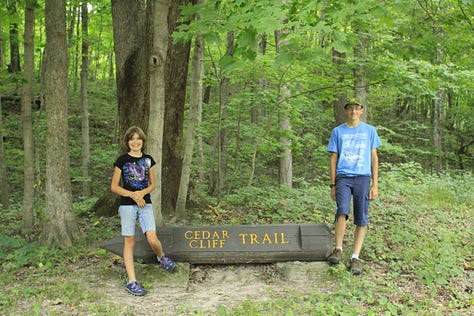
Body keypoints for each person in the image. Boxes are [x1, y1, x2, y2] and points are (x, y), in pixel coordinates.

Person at [111, 126, 176, 296]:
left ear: (143, 141)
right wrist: (133, 195)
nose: (135, 141)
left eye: (138, 138)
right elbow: (114, 186)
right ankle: (132, 281)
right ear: (127, 142)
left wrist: (142, 193)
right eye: (131, 139)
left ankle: (161, 256)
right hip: (127, 205)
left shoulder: (148, 160)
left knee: (152, 238)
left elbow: (152, 184)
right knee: (129, 241)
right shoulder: (121, 161)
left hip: (145, 204)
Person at [326, 99, 381, 275]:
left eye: (357, 109)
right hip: (343, 176)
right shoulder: (337, 132)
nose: (354, 112)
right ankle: (338, 249)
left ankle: (355, 257)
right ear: (346, 111)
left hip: (363, 177)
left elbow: (374, 158)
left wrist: (375, 184)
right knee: (342, 210)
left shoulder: (370, 131)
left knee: (361, 216)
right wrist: (333, 184)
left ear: (362, 111)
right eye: (350, 109)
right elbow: (333, 158)